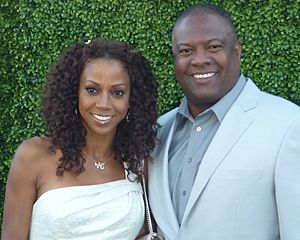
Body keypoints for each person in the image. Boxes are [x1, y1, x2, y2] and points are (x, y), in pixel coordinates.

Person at [148, 3, 300, 240]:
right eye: (186, 51)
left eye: (214, 47)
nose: (199, 60)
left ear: (237, 50)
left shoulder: (288, 125)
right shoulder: (158, 132)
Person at [1, 38, 158, 240]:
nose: (104, 104)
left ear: (132, 100)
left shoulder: (138, 162)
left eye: (117, 93)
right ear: (73, 93)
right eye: (92, 90)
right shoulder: (32, 156)